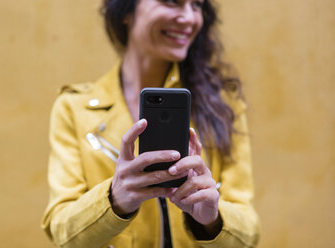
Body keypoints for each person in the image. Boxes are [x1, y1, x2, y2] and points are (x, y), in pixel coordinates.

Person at [41, 0, 260, 247]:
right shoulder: (74, 108)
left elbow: (249, 233)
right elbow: (62, 233)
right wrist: (114, 200)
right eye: (172, 2)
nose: (189, 17)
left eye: (197, 5)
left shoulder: (222, 105)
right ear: (125, 11)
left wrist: (211, 220)